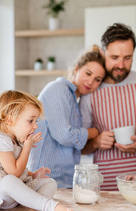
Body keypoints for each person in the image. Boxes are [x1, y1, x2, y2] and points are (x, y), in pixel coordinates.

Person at [80, 23, 136, 191]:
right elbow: (80, 147)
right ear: (103, 54)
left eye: (127, 58)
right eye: (115, 57)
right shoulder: (90, 91)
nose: (121, 65)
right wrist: (96, 142)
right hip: (104, 188)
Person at [0, 90, 74, 211]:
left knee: (50, 182)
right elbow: (14, 173)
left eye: (36, 121)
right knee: (9, 181)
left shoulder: (15, 141)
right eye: (30, 121)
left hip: (11, 194)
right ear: (9, 120)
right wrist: (27, 148)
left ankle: (33, 205)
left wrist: (33, 175)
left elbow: (18, 171)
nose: (35, 126)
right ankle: (49, 207)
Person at [28, 45, 106, 188]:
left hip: (61, 181)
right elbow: (65, 136)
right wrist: (94, 132)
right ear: (76, 69)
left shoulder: (73, 99)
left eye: (97, 79)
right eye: (88, 74)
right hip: (45, 179)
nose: (91, 82)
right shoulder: (58, 89)